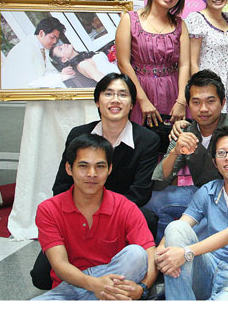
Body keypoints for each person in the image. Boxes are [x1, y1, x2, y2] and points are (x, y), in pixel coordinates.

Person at [30, 73, 161, 290]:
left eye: (123, 95)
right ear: (97, 101)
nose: (115, 100)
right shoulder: (79, 134)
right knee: (41, 277)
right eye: (108, 94)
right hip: (79, 213)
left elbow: (140, 192)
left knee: (146, 219)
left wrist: (108, 213)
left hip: (119, 216)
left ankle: (118, 270)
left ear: (132, 104)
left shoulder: (147, 140)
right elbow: (61, 185)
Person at [155, 125, 228, 300]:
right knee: (176, 227)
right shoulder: (208, 190)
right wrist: (161, 251)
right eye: (221, 153)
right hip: (207, 268)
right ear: (215, 162)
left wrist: (185, 253)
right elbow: (182, 224)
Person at [32, 134, 157, 300]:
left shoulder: (126, 207)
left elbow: (150, 256)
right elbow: (59, 264)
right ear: (69, 168)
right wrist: (95, 284)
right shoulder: (48, 209)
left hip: (113, 280)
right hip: (70, 288)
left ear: (109, 169)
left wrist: (142, 288)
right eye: (83, 166)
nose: (92, 174)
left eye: (100, 166)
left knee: (136, 254)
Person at [149, 69, 228, 241]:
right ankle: (166, 250)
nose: (203, 109)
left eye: (210, 101)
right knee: (153, 201)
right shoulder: (186, 132)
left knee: (195, 238)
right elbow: (159, 183)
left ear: (222, 103)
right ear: (188, 105)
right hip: (201, 196)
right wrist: (175, 151)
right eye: (196, 102)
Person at [115, 0, 191, 127]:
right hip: (139, 88)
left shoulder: (180, 24)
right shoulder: (129, 19)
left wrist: (181, 100)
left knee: (175, 137)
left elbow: (185, 65)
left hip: (172, 90)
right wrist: (142, 100)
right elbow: (123, 63)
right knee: (141, 137)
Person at [1, 16, 75, 89]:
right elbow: (33, 82)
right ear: (41, 33)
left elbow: (47, 71)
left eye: (57, 38)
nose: (55, 41)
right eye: (52, 37)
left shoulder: (41, 48)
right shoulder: (26, 49)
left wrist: (62, 74)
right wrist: (60, 76)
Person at [49, 43, 118, 88]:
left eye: (61, 45)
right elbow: (105, 81)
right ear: (64, 59)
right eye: (60, 49)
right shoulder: (82, 64)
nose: (63, 45)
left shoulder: (84, 57)